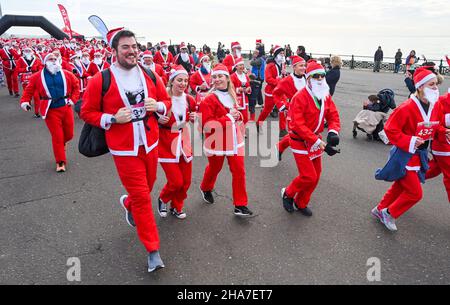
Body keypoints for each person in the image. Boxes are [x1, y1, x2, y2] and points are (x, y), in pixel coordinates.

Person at [80, 28, 172, 272]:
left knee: (148, 186)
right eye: (125, 47)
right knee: (143, 197)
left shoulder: (152, 75)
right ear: (114, 51)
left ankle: (129, 204)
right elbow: (86, 112)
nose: (132, 51)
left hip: (150, 143)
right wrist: (111, 118)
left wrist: (160, 105)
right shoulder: (101, 79)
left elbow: (168, 102)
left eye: (134, 47)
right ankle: (153, 250)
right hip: (123, 149)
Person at [373, 67, 449, 231]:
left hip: (420, 155)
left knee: (400, 186)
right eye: (431, 85)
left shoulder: (435, 106)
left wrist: (444, 132)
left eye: (436, 84)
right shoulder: (406, 107)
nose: (436, 88)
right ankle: (389, 213)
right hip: (404, 155)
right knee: (415, 193)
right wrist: (409, 140)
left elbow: (435, 127)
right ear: (420, 87)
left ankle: (380, 209)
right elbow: (390, 129)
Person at [281, 60, 341, 216]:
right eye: (316, 76)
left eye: (322, 76)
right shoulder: (299, 98)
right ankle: (288, 193)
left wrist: (333, 132)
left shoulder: (325, 95)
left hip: (314, 139)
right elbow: (298, 126)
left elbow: (333, 115)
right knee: (308, 176)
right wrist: (320, 143)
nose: (320, 79)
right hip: (299, 140)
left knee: (316, 175)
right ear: (308, 78)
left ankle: (301, 202)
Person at [199, 64, 254, 218]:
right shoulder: (208, 99)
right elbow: (207, 125)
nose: (217, 79)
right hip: (216, 142)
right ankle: (205, 187)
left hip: (235, 141)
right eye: (215, 77)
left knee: (239, 171)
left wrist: (239, 117)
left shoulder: (232, 95)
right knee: (214, 168)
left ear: (227, 78)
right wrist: (229, 117)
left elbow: (238, 116)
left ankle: (240, 205)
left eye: (220, 76)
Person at [20, 53, 80, 172]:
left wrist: (73, 99)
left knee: (69, 135)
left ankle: (61, 145)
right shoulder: (37, 76)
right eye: (50, 59)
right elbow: (29, 90)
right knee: (57, 137)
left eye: (55, 59)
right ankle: (60, 161)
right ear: (45, 61)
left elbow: (76, 87)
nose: (53, 61)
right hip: (50, 110)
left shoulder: (67, 74)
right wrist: (25, 101)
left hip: (66, 107)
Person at [157, 66, 196, 219]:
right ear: (172, 81)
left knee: (186, 181)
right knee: (175, 181)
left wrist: (193, 118)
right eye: (179, 80)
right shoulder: (163, 99)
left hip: (184, 141)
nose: (183, 83)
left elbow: (192, 116)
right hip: (166, 143)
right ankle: (163, 198)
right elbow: (148, 117)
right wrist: (158, 120)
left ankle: (176, 206)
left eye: (185, 80)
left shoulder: (189, 99)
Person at [273, 55, 307, 160]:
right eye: (301, 66)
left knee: (300, 134)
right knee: (296, 134)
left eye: (304, 65)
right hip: (293, 112)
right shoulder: (287, 80)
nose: (303, 68)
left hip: (307, 112)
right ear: (294, 67)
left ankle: (279, 147)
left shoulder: (308, 77)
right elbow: (276, 93)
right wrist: (283, 106)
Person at [256, 45, 287, 134]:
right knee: (267, 110)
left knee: (283, 109)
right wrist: (279, 81)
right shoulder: (270, 65)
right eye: (281, 53)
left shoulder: (282, 64)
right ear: (276, 54)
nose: (282, 55)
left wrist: (285, 76)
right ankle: (258, 123)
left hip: (281, 91)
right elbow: (268, 79)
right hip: (271, 91)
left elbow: (282, 77)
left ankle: (282, 129)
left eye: (283, 53)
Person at [15, 47, 43, 117]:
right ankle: (28, 103)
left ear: (31, 51)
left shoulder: (36, 59)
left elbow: (40, 68)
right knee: (27, 94)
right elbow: (17, 69)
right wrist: (26, 69)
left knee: (36, 96)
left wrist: (36, 70)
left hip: (35, 80)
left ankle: (37, 112)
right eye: (26, 50)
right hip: (25, 80)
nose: (27, 51)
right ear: (24, 52)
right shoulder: (20, 59)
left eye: (29, 50)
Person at [230, 57, 251, 125]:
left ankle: (242, 132)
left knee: (245, 117)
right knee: (237, 117)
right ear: (236, 66)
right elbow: (230, 88)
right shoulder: (233, 76)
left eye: (242, 65)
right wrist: (238, 89)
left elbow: (248, 86)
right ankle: (236, 132)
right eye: (240, 65)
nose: (241, 67)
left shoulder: (246, 76)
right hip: (236, 100)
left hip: (245, 100)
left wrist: (248, 89)